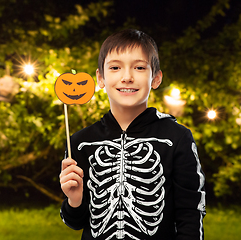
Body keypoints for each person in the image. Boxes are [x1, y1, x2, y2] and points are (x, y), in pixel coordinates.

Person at [59, 29, 206, 240]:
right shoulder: (80, 143)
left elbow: (191, 215)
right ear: (100, 78)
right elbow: (75, 222)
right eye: (115, 67)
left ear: (156, 78)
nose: (127, 77)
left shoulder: (177, 138)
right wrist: (74, 200)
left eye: (139, 67)